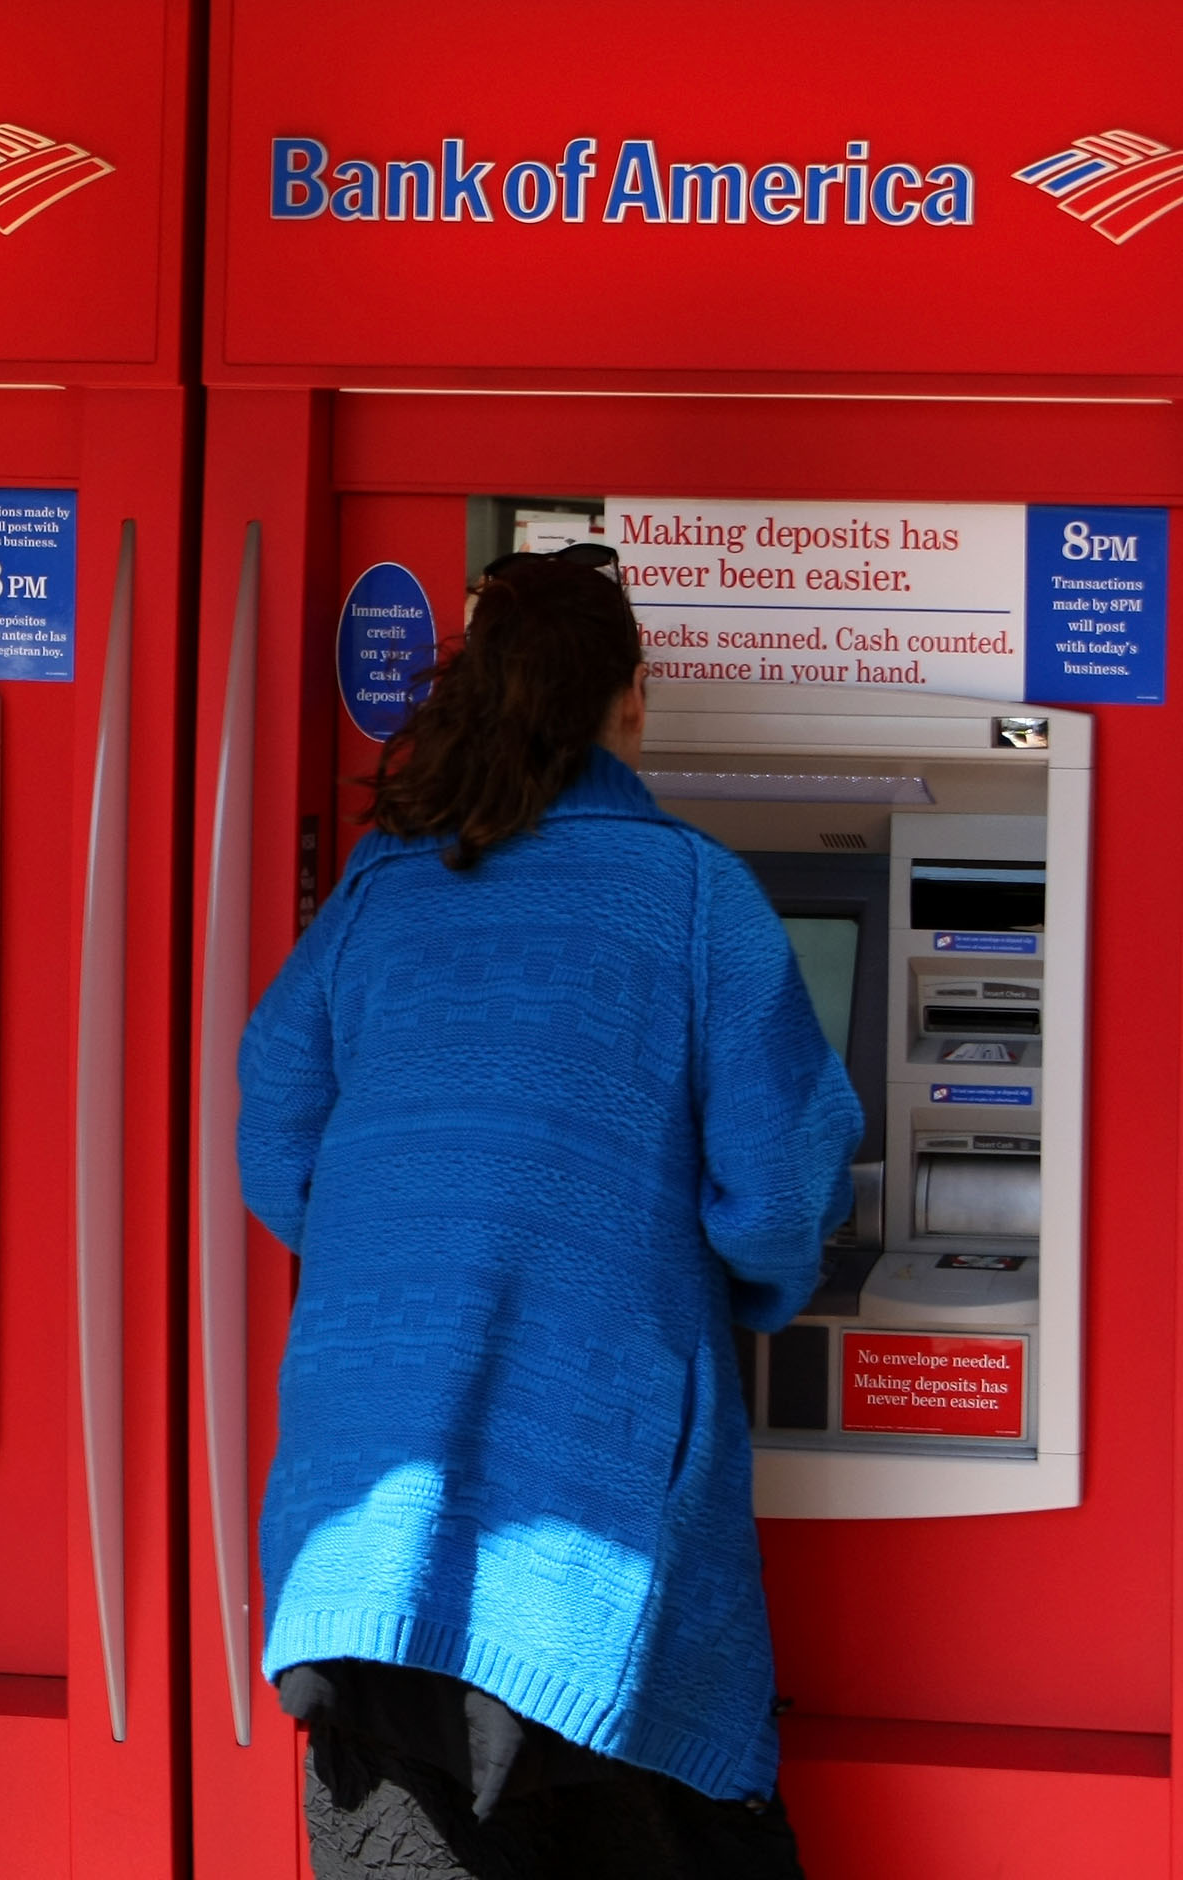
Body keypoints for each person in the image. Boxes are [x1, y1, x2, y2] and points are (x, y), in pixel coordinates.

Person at [236, 547, 863, 1879]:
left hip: (368, 1559)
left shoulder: (376, 893)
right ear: (633, 698)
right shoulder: (699, 902)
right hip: (590, 1545)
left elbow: (277, 1151)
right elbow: (779, 1204)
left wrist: (429, 1254)